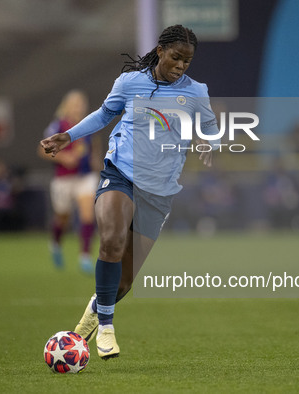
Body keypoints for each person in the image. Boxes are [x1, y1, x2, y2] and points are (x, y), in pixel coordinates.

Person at [41, 25, 217, 360]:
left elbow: (211, 128)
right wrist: (69, 136)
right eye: (177, 57)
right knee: (112, 239)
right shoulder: (130, 83)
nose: (181, 65)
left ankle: (96, 310)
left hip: (159, 192)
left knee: (123, 283)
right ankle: (106, 328)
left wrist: (211, 141)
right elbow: (105, 114)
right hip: (120, 174)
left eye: (187, 61)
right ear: (161, 50)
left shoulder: (196, 92)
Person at [38, 90, 100, 273]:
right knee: (62, 218)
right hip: (64, 178)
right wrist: (64, 158)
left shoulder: (90, 124)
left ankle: (85, 256)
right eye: (75, 104)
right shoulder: (58, 126)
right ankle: (56, 243)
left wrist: (97, 161)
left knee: (88, 214)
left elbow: (94, 149)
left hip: (85, 176)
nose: (78, 108)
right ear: (66, 106)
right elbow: (42, 150)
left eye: (81, 104)